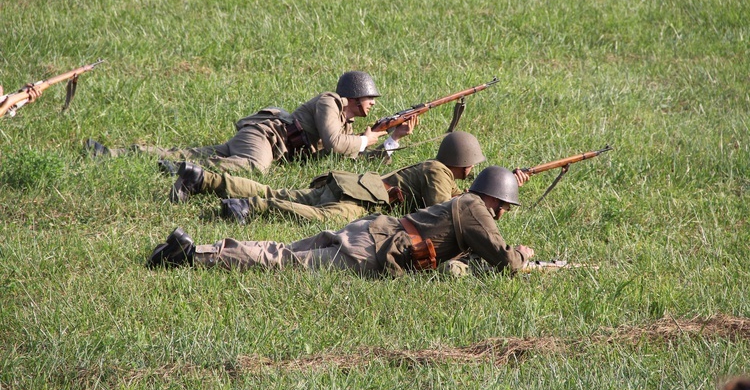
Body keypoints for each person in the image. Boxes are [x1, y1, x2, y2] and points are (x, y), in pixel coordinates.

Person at [147, 166, 535, 278]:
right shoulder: (476, 210)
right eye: (503, 207)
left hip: (368, 229)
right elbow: (506, 261)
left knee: (281, 251)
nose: (501, 215)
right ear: (497, 201)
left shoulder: (466, 203)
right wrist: (524, 252)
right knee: (284, 262)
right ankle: (192, 256)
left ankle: (194, 250)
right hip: (371, 250)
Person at [84, 71, 415, 174]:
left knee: (191, 150)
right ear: (355, 97)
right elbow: (334, 145)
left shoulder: (348, 128)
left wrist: (391, 139)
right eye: (371, 98)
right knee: (255, 168)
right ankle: (189, 172)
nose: (373, 104)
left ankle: (116, 154)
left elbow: (356, 160)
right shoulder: (331, 102)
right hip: (265, 136)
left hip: (269, 142)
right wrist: (367, 139)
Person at [171, 131, 529, 224]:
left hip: (349, 183)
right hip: (362, 201)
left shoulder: (439, 172)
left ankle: (202, 178)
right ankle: (249, 207)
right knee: (317, 217)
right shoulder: (437, 172)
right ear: (464, 163)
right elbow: (443, 211)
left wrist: (501, 186)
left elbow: (459, 196)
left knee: (282, 190)